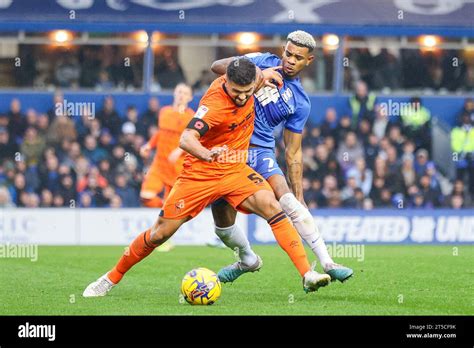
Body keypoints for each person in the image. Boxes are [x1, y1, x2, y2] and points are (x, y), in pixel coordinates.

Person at [83, 57, 329, 297]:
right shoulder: (213, 106)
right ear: (226, 81)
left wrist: (263, 76)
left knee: (272, 206)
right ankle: (110, 278)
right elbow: (186, 138)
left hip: (235, 169)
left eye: (247, 91)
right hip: (200, 173)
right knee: (160, 234)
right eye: (237, 92)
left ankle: (307, 273)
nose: (243, 97)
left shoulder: (252, 79)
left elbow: (234, 71)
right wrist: (208, 153)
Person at [209, 30, 353, 284]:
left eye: (298, 57)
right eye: (288, 53)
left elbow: (293, 151)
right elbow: (217, 66)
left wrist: (299, 193)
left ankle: (328, 262)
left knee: (289, 202)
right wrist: (257, 74)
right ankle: (247, 259)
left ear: (309, 61)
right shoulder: (262, 61)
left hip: (260, 151)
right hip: (230, 148)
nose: (290, 60)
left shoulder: (301, 102)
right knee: (222, 224)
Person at [139, 83, 194, 208]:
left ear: (190, 98)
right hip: (159, 164)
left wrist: (179, 150)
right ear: (174, 93)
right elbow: (161, 132)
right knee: (145, 196)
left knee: (173, 207)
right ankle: (164, 206)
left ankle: (167, 211)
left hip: (177, 166)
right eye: (179, 92)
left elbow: (193, 139)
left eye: (185, 93)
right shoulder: (164, 111)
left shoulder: (191, 117)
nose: (181, 95)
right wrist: (148, 145)